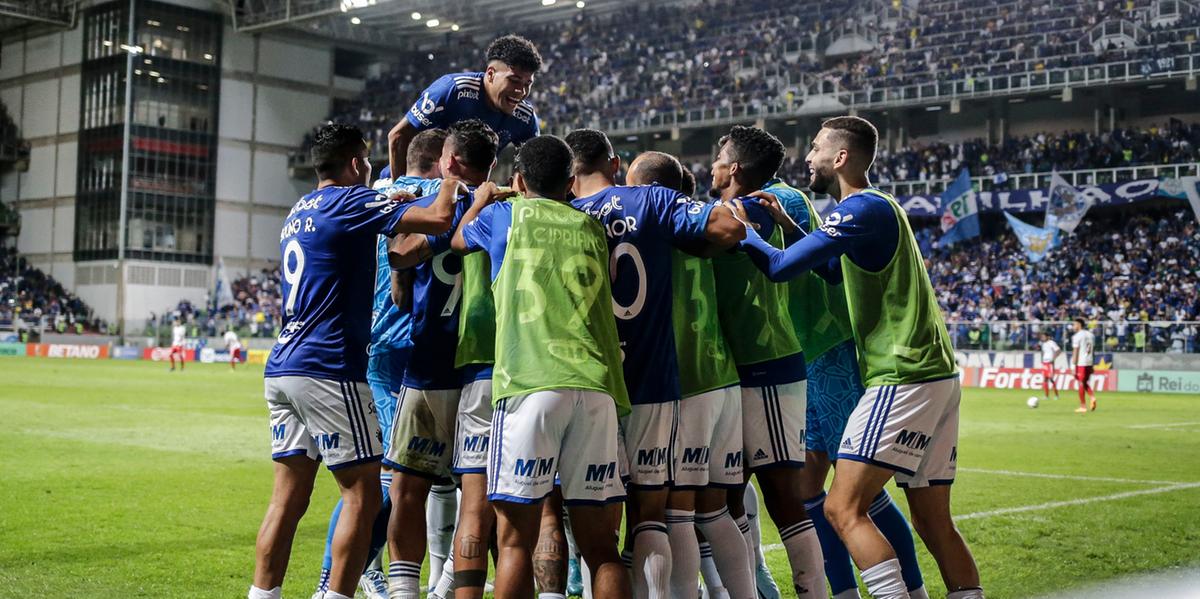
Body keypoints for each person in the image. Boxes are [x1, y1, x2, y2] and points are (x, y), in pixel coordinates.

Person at [733, 115, 985, 599]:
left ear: (840, 157)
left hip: (902, 374)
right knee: (934, 524)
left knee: (842, 509)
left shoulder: (861, 208)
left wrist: (745, 231)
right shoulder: (875, 207)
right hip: (936, 374)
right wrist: (788, 224)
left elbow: (782, 268)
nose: (808, 158)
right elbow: (830, 272)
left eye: (816, 148)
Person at [251, 123, 460, 599]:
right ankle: (337, 594)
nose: (370, 169)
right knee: (363, 494)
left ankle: (262, 595)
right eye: (366, 162)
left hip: (283, 365)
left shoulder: (299, 209)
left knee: (287, 498)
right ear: (353, 164)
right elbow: (438, 218)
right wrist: (450, 177)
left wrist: (396, 194)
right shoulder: (351, 201)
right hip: (328, 369)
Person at [566, 131, 746, 599]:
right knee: (653, 514)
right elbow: (728, 230)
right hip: (653, 378)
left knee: (595, 518)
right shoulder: (649, 199)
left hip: (591, 381)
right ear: (614, 162)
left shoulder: (560, 214)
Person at [450, 135, 631, 599]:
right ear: (571, 182)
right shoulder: (589, 226)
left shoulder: (503, 215)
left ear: (519, 179)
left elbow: (456, 240)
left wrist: (485, 198)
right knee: (601, 546)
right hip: (596, 387)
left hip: (530, 384)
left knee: (514, 542)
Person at [760, 175, 928, 599]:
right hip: (805, 356)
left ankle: (913, 589)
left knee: (855, 497)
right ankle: (842, 593)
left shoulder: (783, 197)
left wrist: (745, 233)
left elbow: (792, 266)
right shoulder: (786, 202)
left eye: (720, 161)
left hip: (828, 352)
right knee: (807, 490)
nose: (713, 170)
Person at [310, 128, 448, 599]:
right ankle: (348, 575)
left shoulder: (369, 196)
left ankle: (432, 577)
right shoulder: (431, 196)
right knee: (386, 479)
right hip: (409, 348)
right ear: (440, 161)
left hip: (379, 349)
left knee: (407, 476)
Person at [625, 154, 755, 599]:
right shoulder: (705, 231)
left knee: (673, 513)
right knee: (715, 510)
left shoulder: (655, 231)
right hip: (722, 375)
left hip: (686, 380)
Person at [382, 119, 501, 599]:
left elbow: (400, 265)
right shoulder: (504, 208)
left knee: (407, 491)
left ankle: (407, 593)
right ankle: (448, 585)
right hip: (488, 369)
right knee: (484, 497)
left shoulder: (435, 205)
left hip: (430, 363)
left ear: (448, 161)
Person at [708, 125, 826, 598]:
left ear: (733, 168)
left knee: (783, 495)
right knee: (728, 494)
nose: (713, 164)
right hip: (731, 372)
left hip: (768, 366)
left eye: (719, 156)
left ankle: (812, 592)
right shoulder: (731, 210)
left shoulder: (750, 210)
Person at [385, 35, 541, 178]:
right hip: (410, 188)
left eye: (528, 84)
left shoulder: (525, 116)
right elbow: (398, 136)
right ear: (491, 74)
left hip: (462, 193)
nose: (521, 91)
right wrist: (400, 190)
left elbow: (533, 163)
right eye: (514, 80)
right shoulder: (452, 90)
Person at [1070, 320, 1097, 412]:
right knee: (1084, 382)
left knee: (1081, 383)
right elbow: (1093, 351)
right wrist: (1093, 364)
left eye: (1074, 324)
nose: (1073, 326)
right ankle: (1092, 397)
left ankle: (1083, 406)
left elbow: (1075, 352)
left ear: (1079, 325)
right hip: (1089, 361)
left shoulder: (1077, 336)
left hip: (1081, 363)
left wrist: (1073, 366)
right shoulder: (1091, 335)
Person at [1039, 331, 1063, 402]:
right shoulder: (1043, 344)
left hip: (1050, 363)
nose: (1042, 338)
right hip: (1045, 363)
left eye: (1044, 336)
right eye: (1042, 337)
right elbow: (1043, 352)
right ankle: (1046, 396)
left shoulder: (1051, 343)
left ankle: (1056, 395)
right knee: (1045, 379)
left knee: (1051, 379)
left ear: (1048, 337)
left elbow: (1058, 350)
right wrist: (1042, 360)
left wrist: (1053, 359)